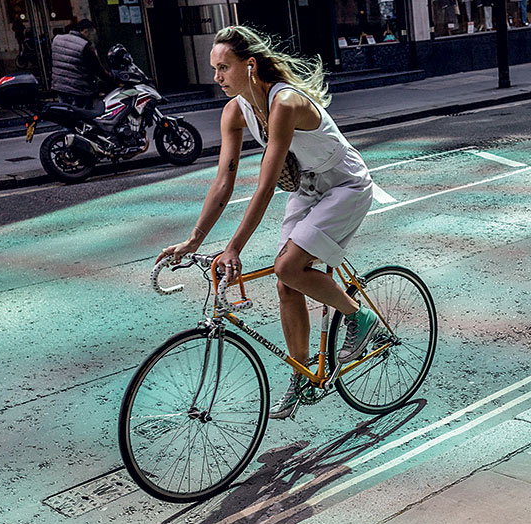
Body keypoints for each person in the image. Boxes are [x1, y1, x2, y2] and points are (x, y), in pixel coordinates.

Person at [157, 25, 379, 420]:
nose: (217, 77)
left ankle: (358, 317)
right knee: (286, 282)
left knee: (289, 266)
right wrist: (193, 241)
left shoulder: (286, 102)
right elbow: (224, 180)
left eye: (224, 67)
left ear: (251, 65)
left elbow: (263, 187)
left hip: (345, 185)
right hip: (309, 189)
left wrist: (234, 247)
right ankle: (304, 376)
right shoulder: (234, 112)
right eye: (215, 69)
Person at [50, 18, 110, 109]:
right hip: (78, 88)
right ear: (85, 31)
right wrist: (111, 79)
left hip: (59, 86)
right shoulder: (85, 45)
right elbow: (96, 69)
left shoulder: (57, 40)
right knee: (84, 115)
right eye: (92, 34)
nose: (93, 38)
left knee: (66, 114)